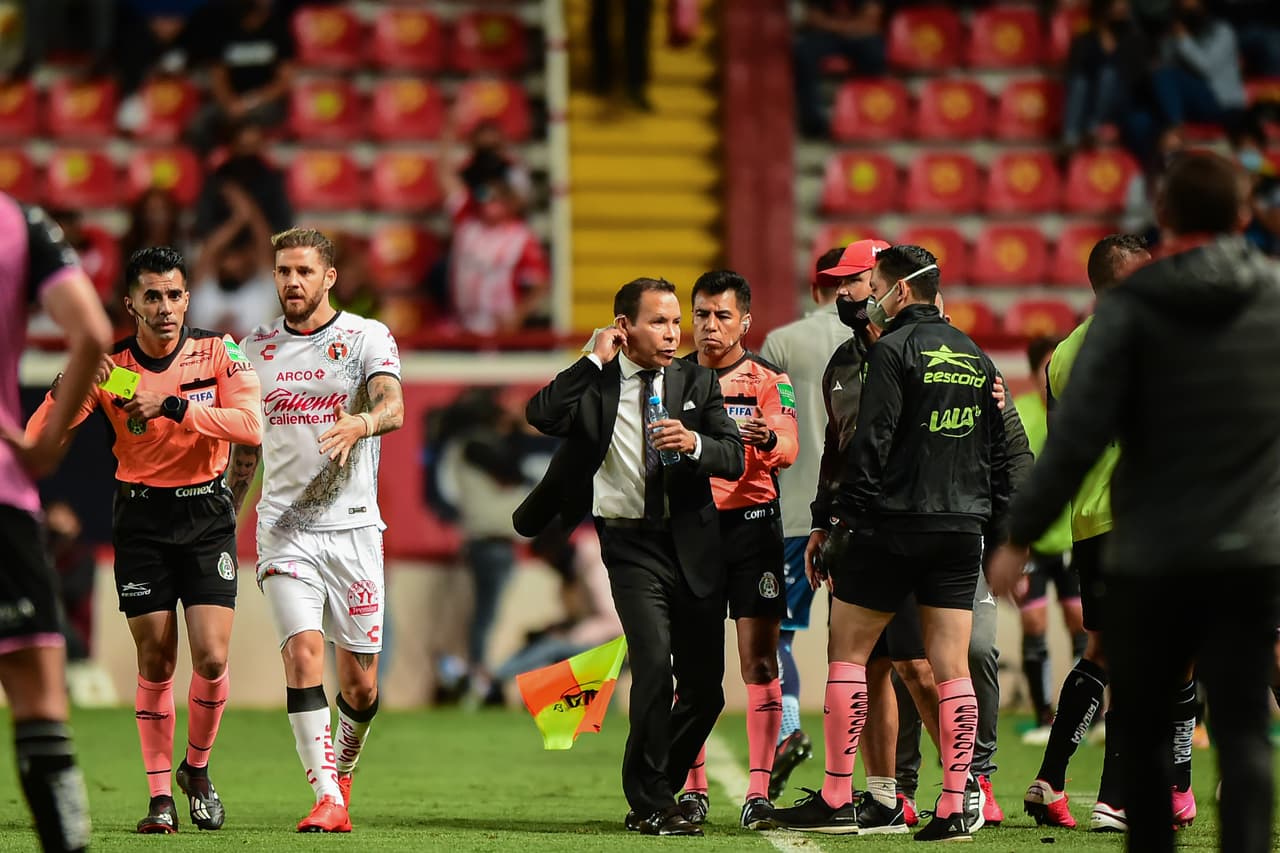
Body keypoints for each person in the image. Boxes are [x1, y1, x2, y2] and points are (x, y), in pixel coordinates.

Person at [988, 151, 1280, 853]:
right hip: (1251, 550)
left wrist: (1020, 533)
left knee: (1144, 729)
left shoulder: (1135, 310)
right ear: (1244, 216)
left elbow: (1077, 437)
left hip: (1153, 551)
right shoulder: (1274, 297)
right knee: (1243, 731)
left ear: (1165, 216)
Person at [771, 245, 1009, 842]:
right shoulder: (976, 356)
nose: (867, 294)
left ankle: (835, 795)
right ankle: (956, 804)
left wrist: (843, 522)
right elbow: (997, 448)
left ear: (900, 291)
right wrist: (997, 526)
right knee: (951, 669)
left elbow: (869, 443)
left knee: (848, 654)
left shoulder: (891, 352)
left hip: (891, 524)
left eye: (873, 284)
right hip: (960, 528)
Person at [27, 245, 263, 834]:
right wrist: (66, 382)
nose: (164, 308)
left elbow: (253, 426)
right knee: (156, 659)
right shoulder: (112, 368)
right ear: (130, 302)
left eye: (174, 295)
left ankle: (197, 771)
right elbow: (39, 441)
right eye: (151, 296)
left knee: (210, 656)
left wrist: (174, 405)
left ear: (187, 299)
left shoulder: (218, 351)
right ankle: (161, 798)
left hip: (206, 515)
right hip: (141, 520)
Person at [514, 277, 744, 836]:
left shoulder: (697, 381)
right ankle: (655, 801)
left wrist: (693, 445)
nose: (673, 333)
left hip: (691, 542)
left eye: (674, 322)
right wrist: (590, 361)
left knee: (705, 689)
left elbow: (733, 457)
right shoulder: (596, 385)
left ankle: (650, 778)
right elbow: (541, 414)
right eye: (658, 322)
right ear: (624, 328)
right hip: (628, 543)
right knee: (653, 662)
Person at [1017, 234, 1200, 835]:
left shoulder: (1065, 353)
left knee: (1102, 651)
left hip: (1090, 523)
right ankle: (1123, 797)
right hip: (1145, 516)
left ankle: (1052, 780)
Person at [232, 227, 404, 833]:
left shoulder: (366, 338)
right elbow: (246, 449)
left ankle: (346, 768)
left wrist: (360, 423)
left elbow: (393, 405)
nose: (293, 282)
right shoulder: (252, 350)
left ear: (329, 277)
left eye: (304, 271)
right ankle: (328, 797)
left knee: (359, 685)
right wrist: (228, 512)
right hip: (283, 530)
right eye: (283, 272)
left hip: (355, 529)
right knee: (303, 655)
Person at [0, 198, 111, 853]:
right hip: (3, 493)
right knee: (39, 693)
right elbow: (93, 333)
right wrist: (44, 449)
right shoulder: (19, 223)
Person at [678, 270, 798, 830]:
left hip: (752, 529)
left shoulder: (769, 379)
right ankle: (691, 788)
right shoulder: (672, 378)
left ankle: (757, 792)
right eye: (701, 314)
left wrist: (770, 440)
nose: (710, 326)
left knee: (759, 660)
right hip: (692, 530)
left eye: (722, 315)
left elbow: (790, 442)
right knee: (694, 669)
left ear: (745, 321)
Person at [758, 245, 859, 799]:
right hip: (861, 516)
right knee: (867, 650)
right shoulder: (875, 339)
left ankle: (791, 731)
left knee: (780, 637)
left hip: (796, 512)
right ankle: (897, 783)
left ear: (813, 286)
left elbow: (765, 423)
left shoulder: (782, 342)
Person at [1012, 336, 1084, 743]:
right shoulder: (1020, 416)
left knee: (1081, 623)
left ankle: (1084, 716)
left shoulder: (1076, 415)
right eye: (1047, 368)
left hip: (1073, 537)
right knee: (1034, 622)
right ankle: (1043, 714)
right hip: (1033, 543)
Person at [792, 1, 888, 137]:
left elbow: (871, 22)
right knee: (802, 52)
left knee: (875, 54)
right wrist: (849, 27)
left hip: (858, 36)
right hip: (827, 36)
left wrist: (832, 25)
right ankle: (812, 123)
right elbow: (812, 19)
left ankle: (865, 114)